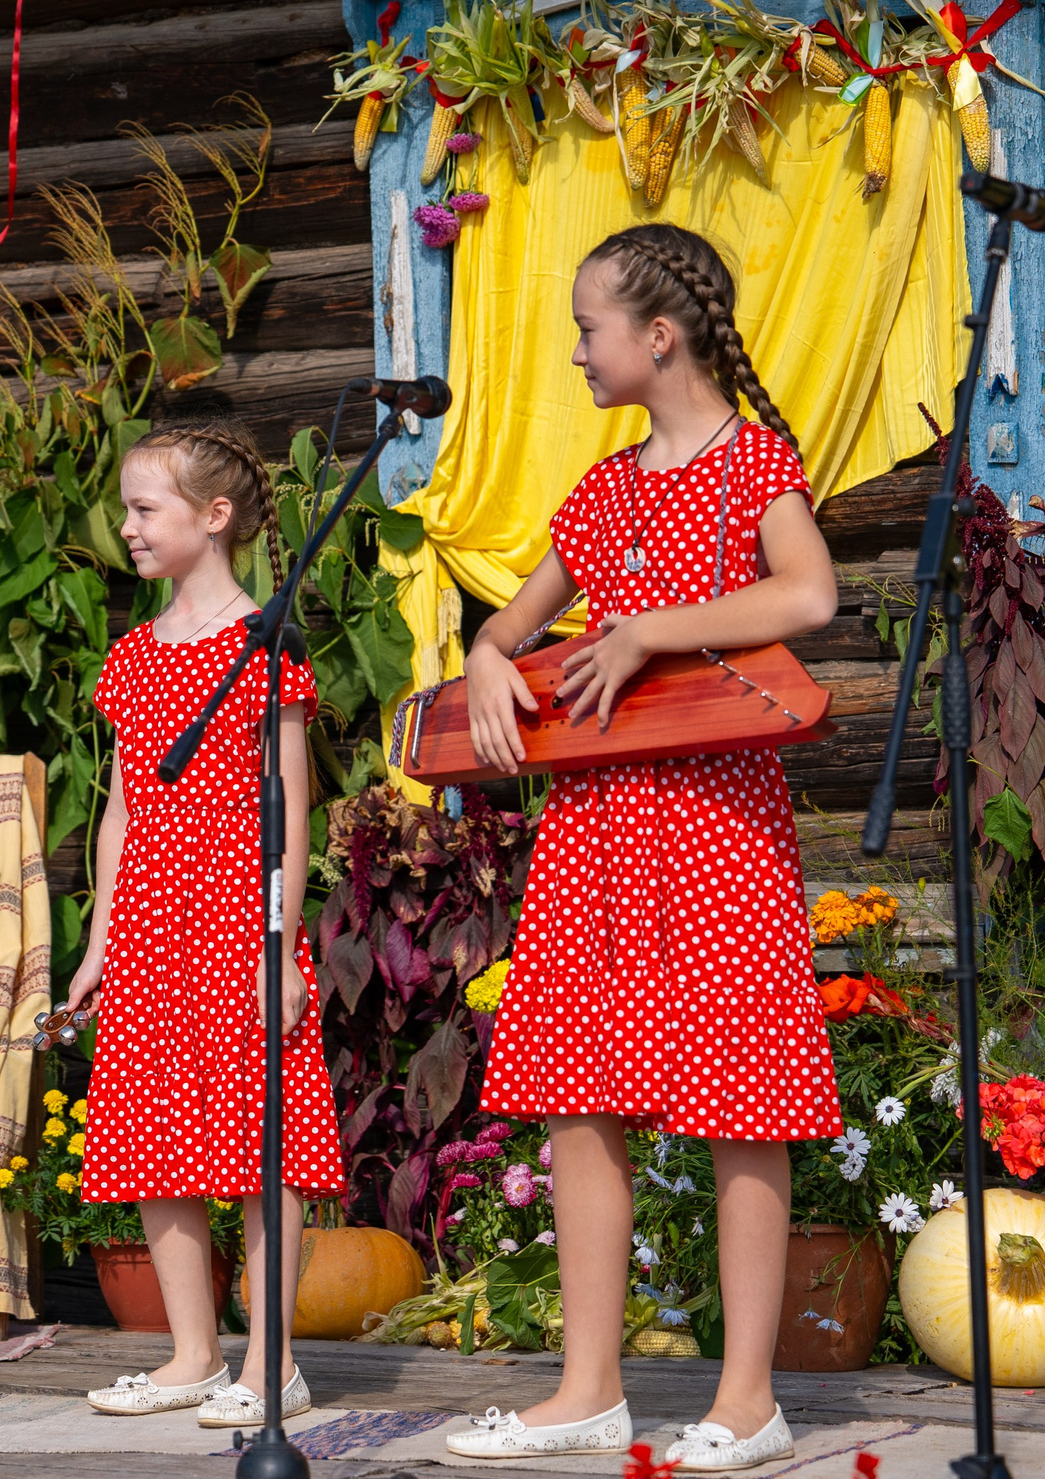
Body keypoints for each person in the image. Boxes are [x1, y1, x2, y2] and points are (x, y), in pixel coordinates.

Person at [443, 225, 842, 1471]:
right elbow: (509, 626)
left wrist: (652, 628)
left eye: (588, 328)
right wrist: (486, 659)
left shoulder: (750, 464)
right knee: (573, 1097)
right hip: (592, 829)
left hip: (718, 821)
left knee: (740, 1096)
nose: (575, 352)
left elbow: (808, 595)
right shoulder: (603, 488)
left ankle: (747, 1399)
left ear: (657, 336)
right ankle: (588, 1390)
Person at [56, 421, 346, 1428]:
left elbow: (289, 806)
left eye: (145, 509)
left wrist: (280, 946)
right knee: (151, 1133)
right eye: (127, 510)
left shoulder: (265, 644)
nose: (128, 528)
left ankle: (272, 1363)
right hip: (149, 924)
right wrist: (100, 941)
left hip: (237, 919)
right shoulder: (133, 654)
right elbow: (120, 810)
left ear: (214, 516)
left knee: (265, 1137)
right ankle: (191, 1354)